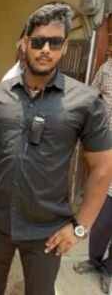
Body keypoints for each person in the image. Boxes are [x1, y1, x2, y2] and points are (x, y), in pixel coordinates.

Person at [0, 3, 112, 295]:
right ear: (25, 43)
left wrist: (80, 227)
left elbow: (103, 167)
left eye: (54, 42)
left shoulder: (83, 101)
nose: (45, 49)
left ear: (64, 46)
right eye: (38, 41)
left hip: (47, 231)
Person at [73, 50, 112, 294]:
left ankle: (109, 269)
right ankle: (94, 259)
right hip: (106, 149)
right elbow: (90, 95)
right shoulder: (107, 68)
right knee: (101, 219)